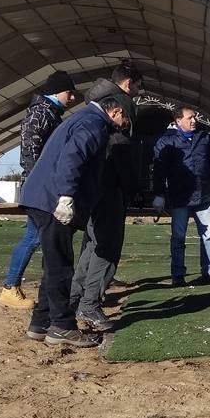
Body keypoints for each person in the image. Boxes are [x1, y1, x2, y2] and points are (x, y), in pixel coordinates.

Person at [20, 90, 133, 348]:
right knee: (61, 265)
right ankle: (61, 326)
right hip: (53, 201)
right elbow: (73, 158)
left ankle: (41, 322)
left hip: (41, 198)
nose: (124, 127)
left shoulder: (83, 118)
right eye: (126, 120)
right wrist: (66, 195)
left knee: (53, 262)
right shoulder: (93, 124)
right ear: (116, 112)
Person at [68, 61, 143, 328]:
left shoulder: (93, 104)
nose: (138, 93)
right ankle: (89, 305)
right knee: (107, 247)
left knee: (91, 243)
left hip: (93, 184)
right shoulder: (120, 106)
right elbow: (123, 149)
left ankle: (74, 298)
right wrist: (134, 185)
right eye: (137, 86)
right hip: (109, 185)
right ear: (128, 83)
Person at [0, 70, 79, 308]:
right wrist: (39, 180)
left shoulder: (50, 113)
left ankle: (21, 287)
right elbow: (29, 149)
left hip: (42, 185)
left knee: (37, 237)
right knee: (34, 238)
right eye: (69, 93)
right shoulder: (40, 113)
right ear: (57, 91)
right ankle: (10, 287)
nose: (72, 98)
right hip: (40, 186)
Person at [152, 106, 210, 286]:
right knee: (178, 237)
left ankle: (209, 273)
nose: (194, 120)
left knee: (209, 237)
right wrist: (159, 194)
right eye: (190, 118)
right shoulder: (167, 142)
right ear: (178, 121)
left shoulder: (205, 138)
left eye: (195, 117)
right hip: (180, 198)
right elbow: (159, 170)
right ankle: (178, 275)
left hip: (204, 196)